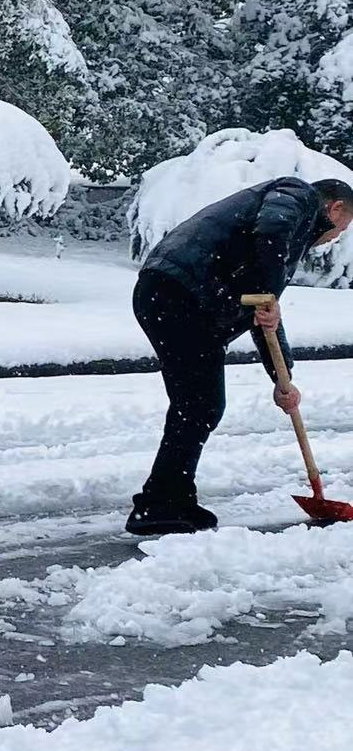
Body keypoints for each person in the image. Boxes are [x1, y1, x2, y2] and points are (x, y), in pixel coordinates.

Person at [128, 176, 353, 536]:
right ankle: (159, 503)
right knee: (200, 404)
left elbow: (264, 314)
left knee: (197, 404)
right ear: (336, 208)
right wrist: (266, 293)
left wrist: (283, 380)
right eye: (343, 228)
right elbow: (272, 236)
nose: (336, 237)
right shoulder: (296, 195)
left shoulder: (274, 247)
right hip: (179, 294)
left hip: (177, 296)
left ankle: (172, 498)